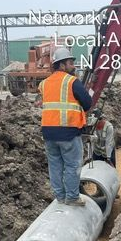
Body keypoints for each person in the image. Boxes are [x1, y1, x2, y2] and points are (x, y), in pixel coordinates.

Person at [39, 47, 92, 206]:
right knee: (72, 164)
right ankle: (72, 197)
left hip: (48, 132)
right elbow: (88, 103)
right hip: (68, 132)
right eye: (70, 63)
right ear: (61, 65)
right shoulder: (72, 81)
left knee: (55, 165)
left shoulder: (44, 83)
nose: (73, 66)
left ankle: (60, 197)